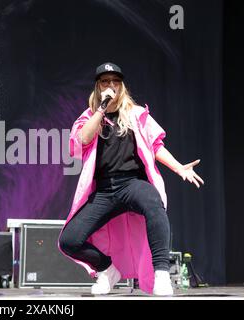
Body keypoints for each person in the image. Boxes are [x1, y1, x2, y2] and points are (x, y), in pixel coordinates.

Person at [58, 62, 204, 296]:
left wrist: (179, 168)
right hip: (105, 190)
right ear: (98, 87)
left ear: (122, 85)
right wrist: (101, 108)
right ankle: (107, 270)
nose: (111, 86)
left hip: (132, 184)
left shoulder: (136, 114)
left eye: (115, 81)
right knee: (69, 240)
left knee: (154, 204)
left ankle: (162, 274)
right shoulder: (90, 116)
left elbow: (156, 146)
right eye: (105, 82)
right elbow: (82, 140)